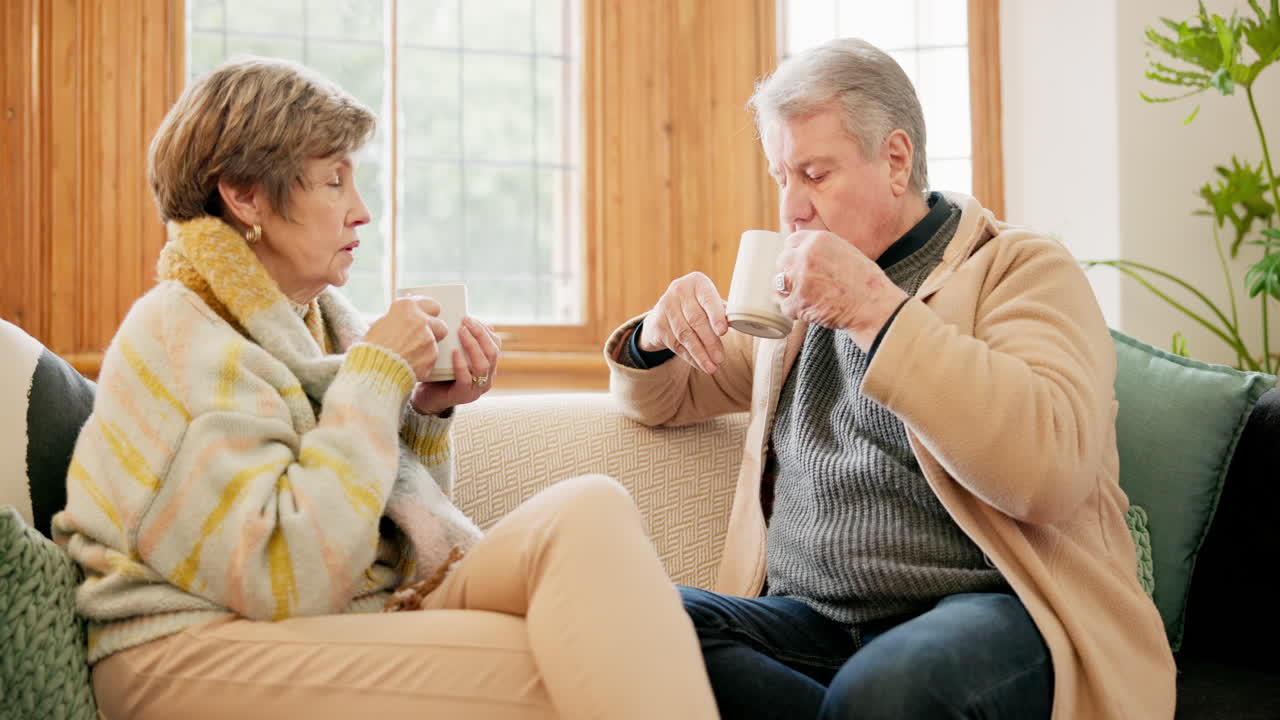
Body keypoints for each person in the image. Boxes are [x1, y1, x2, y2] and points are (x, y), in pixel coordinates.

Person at [52, 56, 718, 720]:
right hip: (184, 647)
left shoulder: (318, 325)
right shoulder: (183, 334)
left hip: (338, 604)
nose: (361, 211)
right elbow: (286, 573)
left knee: (589, 508)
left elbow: (381, 529)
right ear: (245, 195)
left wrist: (423, 413)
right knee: (557, 661)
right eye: (333, 181)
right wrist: (376, 377)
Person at [606, 38, 1175, 719]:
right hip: (810, 622)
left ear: (896, 160)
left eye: (813, 175)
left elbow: (1048, 470)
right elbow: (671, 395)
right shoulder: (791, 296)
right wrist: (657, 334)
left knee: (887, 691)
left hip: (992, 609)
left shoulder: (1019, 269)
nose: (791, 208)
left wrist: (874, 310)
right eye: (779, 176)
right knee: (639, 624)